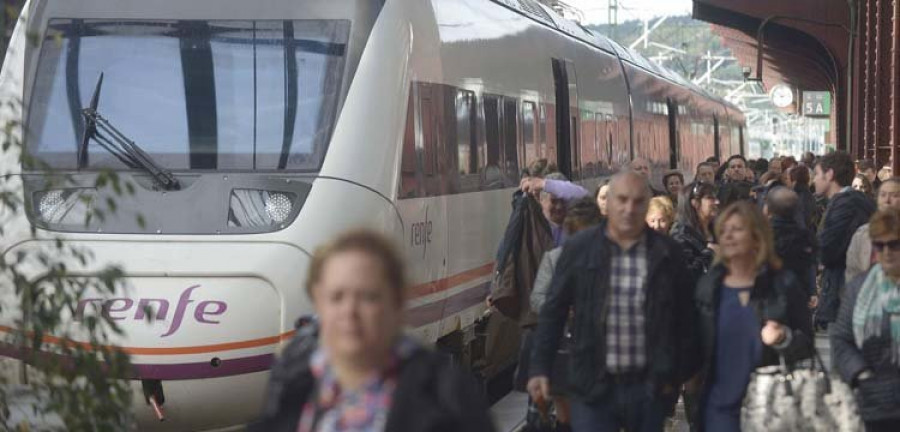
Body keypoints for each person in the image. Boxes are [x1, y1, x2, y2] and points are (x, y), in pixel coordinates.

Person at [255, 230, 495, 432]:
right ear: (317, 302)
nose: (349, 311)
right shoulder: (293, 385)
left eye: (368, 297)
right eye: (336, 297)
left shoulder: (445, 395)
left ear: (397, 303)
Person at [528, 171, 697, 432]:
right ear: (608, 203)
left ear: (648, 204)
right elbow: (554, 311)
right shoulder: (581, 248)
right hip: (593, 386)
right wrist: (540, 368)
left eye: (638, 201)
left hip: (648, 387)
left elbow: (688, 317)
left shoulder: (667, 252)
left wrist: (673, 376)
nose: (629, 209)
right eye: (622, 200)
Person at [695, 202, 813, 432]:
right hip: (719, 405)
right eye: (724, 229)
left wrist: (783, 338)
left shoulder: (782, 284)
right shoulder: (709, 287)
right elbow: (695, 344)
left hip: (770, 408)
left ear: (757, 237)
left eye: (737, 229)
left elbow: (807, 343)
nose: (728, 235)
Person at [530, 198, 603, 431]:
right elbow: (538, 298)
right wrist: (563, 308)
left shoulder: (610, 258)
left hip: (599, 350)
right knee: (566, 413)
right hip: (564, 345)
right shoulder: (554, 259)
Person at [831, 208, 900, 431]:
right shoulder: (859, 288)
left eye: (894, 245)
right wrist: (860, 373)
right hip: (873, 400)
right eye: (879, 245)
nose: (887, 252)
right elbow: (841, 339)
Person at [815, 151, 877, 328]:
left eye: (818, 174)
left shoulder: (844, 204)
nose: (815, 180)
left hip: (845, 293)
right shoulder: (856, 202)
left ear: (830, 174)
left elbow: (829, 249)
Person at [765, 187, 818, 303]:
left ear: (769, 209)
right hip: (798, 297)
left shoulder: (764, 236)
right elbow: (810, 266)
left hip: (770, 299)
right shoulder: (805, 236)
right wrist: (812, 291)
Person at [846, 178, 900, 283]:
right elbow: (852, 272)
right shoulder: (862, 233)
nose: (887, 200)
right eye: (883, 195)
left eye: (894, 195)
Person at [671, 181, 718, 284]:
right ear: (695, 203)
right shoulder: (680, 236)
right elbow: (685, 276)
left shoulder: (718, 230)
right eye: (711, 198)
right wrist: (709, 254)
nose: (717, 202)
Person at [787, 165, 817, 231]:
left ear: (794, 181)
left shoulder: (797, 198)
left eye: (787, 179)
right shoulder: (808, 195)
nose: (786, 182)